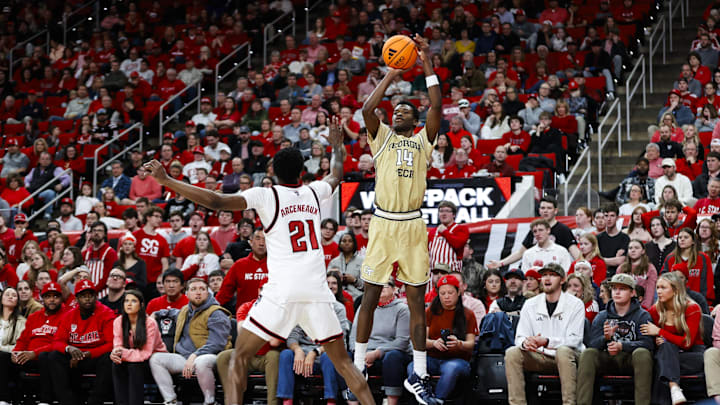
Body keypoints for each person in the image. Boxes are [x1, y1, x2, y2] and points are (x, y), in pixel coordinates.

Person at [144, 115, 374, 404]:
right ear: (302, 172)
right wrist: (337, 147)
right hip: (317, 292)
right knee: (344, 363)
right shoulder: (314, 191)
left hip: (282, 293)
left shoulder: (267, 195)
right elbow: (336, 174)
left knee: (238, 357)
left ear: (273, 173)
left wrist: (166, 180)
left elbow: (216, 201)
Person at [505, 263, 585, 405]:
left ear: (562, 280)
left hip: (570, 357)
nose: (547, 278)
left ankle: (569, 403)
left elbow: (574, 340)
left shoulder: (576, 304)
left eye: (552, 275)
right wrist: (526, 343)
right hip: (540, 356)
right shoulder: (530, 304)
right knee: (512, 353)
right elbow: (520, 336)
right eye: (544, 275)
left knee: (563, 351)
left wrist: (547, 341)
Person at [149, 278, 231, 405]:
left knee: (201, 361)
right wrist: (155, 314)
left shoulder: (216, 313)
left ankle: (210, 401)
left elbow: (217, 343)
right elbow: (171, 312)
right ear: (186, 294)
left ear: (208, 293)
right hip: (186, 359)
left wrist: (195, 355)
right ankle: (170, 400)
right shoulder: (184, 312)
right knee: (156, 359)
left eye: (202, 289)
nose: (198, 292)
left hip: (212, 358)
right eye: (193, 289)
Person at [576, 273, 654, 405]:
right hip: (608, 359)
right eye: (614, 288)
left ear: (632, 293)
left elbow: (648, 344)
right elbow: (592, 344)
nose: (617, 292)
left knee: (643, 354)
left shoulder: (642, 315)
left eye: (622, 289)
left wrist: (622, 345)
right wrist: (605, 338)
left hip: (631, 359)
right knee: (588, 354)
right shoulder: (602, 316)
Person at [640, 272, 705, 405]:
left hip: (692, 356)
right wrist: (657, 342)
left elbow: (687, 343)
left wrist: (660, 332)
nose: (659, 291)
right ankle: (674, 388)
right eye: (657, 287)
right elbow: (648, 339)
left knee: (663, 360)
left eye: (663, 287)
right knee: (665, 351)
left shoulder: (692, 308)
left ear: (675, 290)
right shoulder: (654, 310)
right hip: (667, 356)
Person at [47, 279, 115, 405]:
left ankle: (94, 401)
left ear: (96, 297)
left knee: (109, 358)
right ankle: (68, 401)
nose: (88, 299)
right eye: (83, 296)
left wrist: (88, 354)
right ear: (77, 299)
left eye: (91, 295)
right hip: (74, 357)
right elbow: (57, 341)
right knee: (53, 356)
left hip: (95, 356)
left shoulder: (106, 313)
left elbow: (112, 344)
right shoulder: (69, 315)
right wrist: (69, 349)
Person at [410, 275, 476, 403]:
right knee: (412, 366)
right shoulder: (429, 312)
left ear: (458, 292)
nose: (446, 296)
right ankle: (424, 396)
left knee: (451, 368)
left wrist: (459, 344)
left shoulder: (468, 314)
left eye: (450, 293)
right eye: (442, 293)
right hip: (433, 358)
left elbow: (471, 344)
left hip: (458, 359)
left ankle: (436, 400)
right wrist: (434, 343)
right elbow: (421, 341)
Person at [348, 277, 411, 405]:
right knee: (344, 358)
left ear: (395, 289)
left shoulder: (402, 309)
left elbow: (402, 341)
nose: (381, 288)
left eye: (385, 285)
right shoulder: (364, 307)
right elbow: (353, 336)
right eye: (378, 285)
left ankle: (391, 401)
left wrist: (377, 353)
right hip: (365, 353)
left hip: (389, 353)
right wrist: (360, 354)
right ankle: (352, 400)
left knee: (393, 357)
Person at [6, 282, 66, 404]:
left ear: (61, 298)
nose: (52, 300)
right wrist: (16, 352)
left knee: (46, 356)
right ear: (42, 298)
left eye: (55, 296)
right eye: (48, 296)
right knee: (2, 357)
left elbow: (59, 343)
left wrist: (34, 353)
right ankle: (4, 400)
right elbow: (23, 340)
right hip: (28, 357)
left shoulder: (67, 315)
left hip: (49, 359)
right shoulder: (34, 317)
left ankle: (45, 400)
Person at [488, 197, 579, 270]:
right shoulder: (535, 230)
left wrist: (583, 266)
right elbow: (521, 253)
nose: (545, 211)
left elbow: (576, 254)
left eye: (549, 208)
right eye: (543, 208)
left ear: (555, 211)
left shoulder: (563, 230)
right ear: (539, 210)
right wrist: (500, 263)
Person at [111, 289, 167, 405]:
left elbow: (146, 353)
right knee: (116, 364)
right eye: (126, 301)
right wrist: (115, 353)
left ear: (141, 305)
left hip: (153, 361)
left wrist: (122, 353)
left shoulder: (150, 323)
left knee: (134, 366)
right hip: (132, 359)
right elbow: (118, 345)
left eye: (133, 301)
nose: (129, 304)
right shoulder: (118, 321)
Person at [216, 229, 268, 311]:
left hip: (271, 316)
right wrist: (211, 309)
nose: (261, 243)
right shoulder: (239, 265)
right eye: (258, 238)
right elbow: (224, 294)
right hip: (244, 317)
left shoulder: (276, 265)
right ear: (250, 242)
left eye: (265, 239)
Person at [660, 227, 715, 304]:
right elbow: (664, 280)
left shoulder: (703, 258)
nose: (682, 239)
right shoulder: (670, 258)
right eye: (680, 237)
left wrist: (706, 302)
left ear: (693, 241)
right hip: (674, 301)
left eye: (686, 237)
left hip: (698, 301)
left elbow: (708, 282)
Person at [617, 240, 658, 309]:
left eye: (636, 248)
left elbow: (650, 293)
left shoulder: (650, 268)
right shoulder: (621, 268)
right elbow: (618, 289)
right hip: (624, 306)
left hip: (643, 306)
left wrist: (644, 309)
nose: (633, 250)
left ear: (643, 251)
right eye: (630, 248)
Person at [597, 204, 630, 278]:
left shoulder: (625, 238)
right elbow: (595, 260)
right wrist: (613, 260)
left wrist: (601, 260)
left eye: (612, 216)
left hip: (618, 276)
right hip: (601, 274)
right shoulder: (598, 238)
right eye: (606, 216)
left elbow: (620, 261)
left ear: (617, 218)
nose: (609, 219)